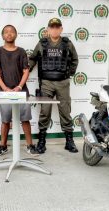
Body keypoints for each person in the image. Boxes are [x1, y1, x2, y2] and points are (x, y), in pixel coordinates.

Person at [29, 18, 79, 154]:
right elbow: (33, 58)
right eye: (52, 27)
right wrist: (26, 71)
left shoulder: (67, 44)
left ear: (61, 29)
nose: (55, 29)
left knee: (65, 111)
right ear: (48, 29)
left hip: (63, 82)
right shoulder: (42, 43)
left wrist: (69, 73)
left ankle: (69, 141)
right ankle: (41, 141)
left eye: (57, 27)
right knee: (45, 111)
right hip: (46, 83)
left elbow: (75, 59)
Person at [0, 24, 38, 156]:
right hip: (4, 92)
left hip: (21, 91)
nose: (9, 34)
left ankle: (30, 145)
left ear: (16, 35)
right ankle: (3, 146)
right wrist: (5, 88)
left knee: (25, 119)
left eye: (12, 32)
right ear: (2, 35)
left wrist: (19, 87)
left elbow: (26, 71)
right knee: (5, 120)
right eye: (6, 32)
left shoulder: (21, 51)